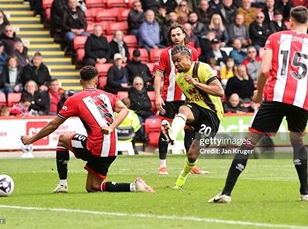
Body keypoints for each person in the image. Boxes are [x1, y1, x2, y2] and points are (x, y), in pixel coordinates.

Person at [209, 6, 308, 203]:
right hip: (301, 101)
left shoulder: (275, 37)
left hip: (275, 97)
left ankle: (226, 193)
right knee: (297, 142)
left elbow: (264, 70)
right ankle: (305, 192)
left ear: (289, 21)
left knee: (249, 143)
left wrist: (258, 95)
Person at [21, 66, 154, 193]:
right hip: (112, 149)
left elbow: (53, 125)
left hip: (95, 148)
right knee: (92, 187)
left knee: (62, 139)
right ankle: (134, 187)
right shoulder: (107, 95)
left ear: (80, 82)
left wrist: (32, 139)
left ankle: (62, 185)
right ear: (96, 81)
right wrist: (111, 127)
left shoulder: (75, 99)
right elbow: (125, 110)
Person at [161, 45, 224, 189]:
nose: (176, 64)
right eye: (174, 61)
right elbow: (189, 99)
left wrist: (196, 83)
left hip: (212, 114)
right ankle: (171, 133)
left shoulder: (202, 68)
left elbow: (220, 91)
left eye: (178, 60)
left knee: (192, 154)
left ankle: (182, 178)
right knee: (182, 108)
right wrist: (187, 120)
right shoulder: (179, 77)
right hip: (196, 109)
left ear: (188, 58)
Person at [154, 23, 205, 175]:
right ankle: (162, 165)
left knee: (190, 131)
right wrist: (157, 96)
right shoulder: (165, 54)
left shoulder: (193, 52)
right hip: (169, 98)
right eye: (173, 35)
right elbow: (158, 76)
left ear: (184, 35)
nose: (176, 37)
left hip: (189, 98)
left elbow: (197, 73)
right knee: (165, 129)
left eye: (178, 34)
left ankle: (191, 165)